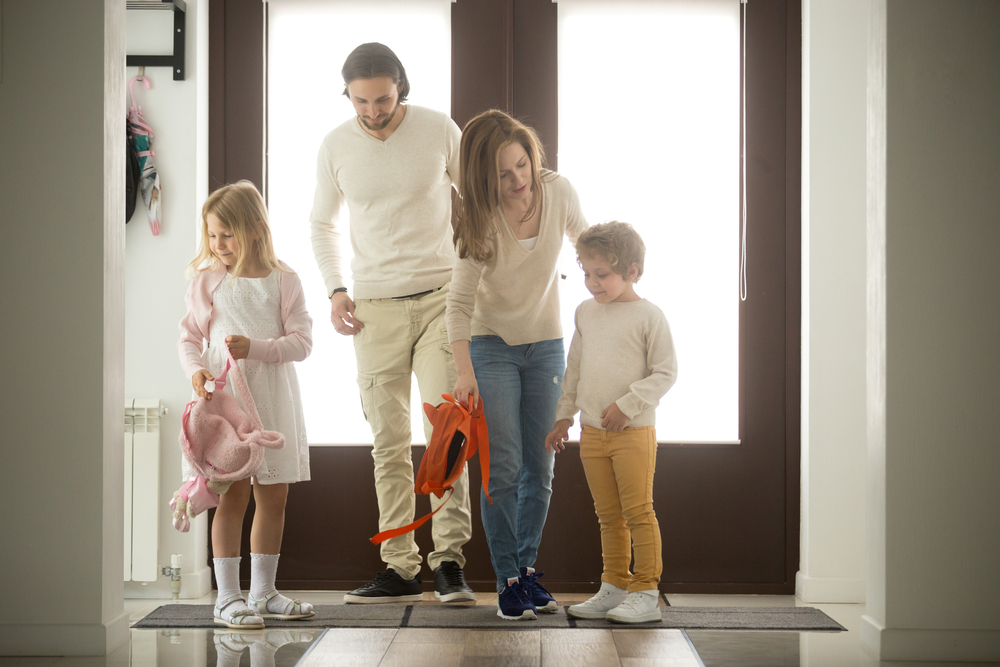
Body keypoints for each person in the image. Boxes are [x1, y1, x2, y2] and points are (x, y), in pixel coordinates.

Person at [309, 42, 474, 603]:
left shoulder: (437, 129)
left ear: (401, 87)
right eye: (362, 101)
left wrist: (475, 276)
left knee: (447, 436)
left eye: (383, 99)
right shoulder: (335, 146)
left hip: (440, 301)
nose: (374, 111)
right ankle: (401, 566)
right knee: (388, 443)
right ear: (348, 95)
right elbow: (321, 225)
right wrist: (335, 289)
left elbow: (474, 199)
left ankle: (449, 561)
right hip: (373, 309)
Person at [447, 109, 588, 620]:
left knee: (542, 463)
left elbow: (586, 243)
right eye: (504, 174)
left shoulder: (559, 194)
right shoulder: (478, 218)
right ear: (486, 177)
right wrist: (464, 372)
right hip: (491, 346)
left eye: (523, 166)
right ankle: (506, 577)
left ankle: (527, 572)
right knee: (502, 467)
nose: (518, 181)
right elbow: (458, 304)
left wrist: (613, 293)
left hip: (546, 344)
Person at [178, 181, 315, 629]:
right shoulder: (208, 281)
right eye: (212, 235)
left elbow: (301, 343)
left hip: (272, 400)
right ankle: (227, 598)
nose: (218, 246)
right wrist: (196, 371)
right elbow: (189, 338)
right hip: (226, 406)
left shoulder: (284, 280)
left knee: (274, 496)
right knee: (230, 496)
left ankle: (263, 592)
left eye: (228, 235)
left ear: (256, 229)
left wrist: (254, 347)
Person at [545, 221, 678, 624]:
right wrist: (563, 416)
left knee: (639, 511)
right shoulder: (585, 312)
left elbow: (665, 372)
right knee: (608, 516)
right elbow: (575, 369)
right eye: (586, 272)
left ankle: (646, 592)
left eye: (602, 274)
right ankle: (614, 587)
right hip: (592, 433)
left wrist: (628, 404)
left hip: (633, 432)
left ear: (632, 271)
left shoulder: (649, 316)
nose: (592, 282)